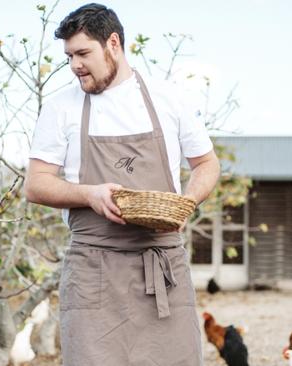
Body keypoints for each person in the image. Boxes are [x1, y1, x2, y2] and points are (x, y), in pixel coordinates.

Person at [24, 3, 220, 365]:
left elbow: (207, 164)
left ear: (113, 43)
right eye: (69, 56)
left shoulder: (168, 99)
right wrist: (90, 194)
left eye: (83, 53)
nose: (74, 65)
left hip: (162, 268)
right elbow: (35, 184)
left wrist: (188, 201)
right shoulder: (61, 108)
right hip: (93, 269)